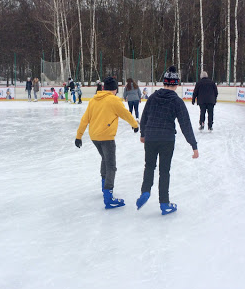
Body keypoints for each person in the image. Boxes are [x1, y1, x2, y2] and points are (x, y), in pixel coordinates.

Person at [136, 67, 199, 215]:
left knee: (149, 166)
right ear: (176, 85)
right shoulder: (176, 101)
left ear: (163, 83)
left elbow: (144, 116)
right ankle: (164, 203)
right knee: (164, 171)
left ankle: (145, 191)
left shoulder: (152, 97)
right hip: (167, 139)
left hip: (151, 137)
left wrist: (143, 134)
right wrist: (194, 146)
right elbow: (185, 124)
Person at [75, 77, 139, 209]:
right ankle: (108, 197)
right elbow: (125, 114)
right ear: (115, 89)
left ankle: (104, 187)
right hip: (106, 137)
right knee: (111, 166)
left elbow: (84, 119)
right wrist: (134, 125)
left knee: (105, 159)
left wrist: (79, 136)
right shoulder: (114, 100)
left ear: (104, 88)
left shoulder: (93, 100)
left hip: (94, 136)